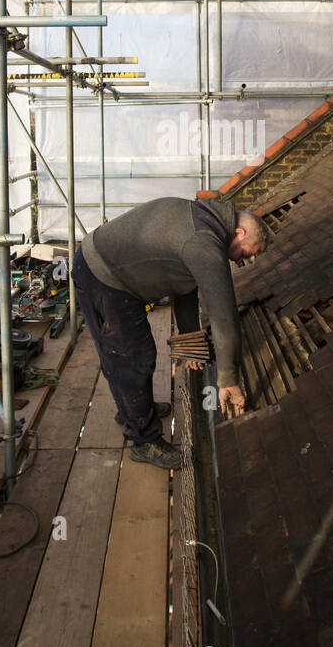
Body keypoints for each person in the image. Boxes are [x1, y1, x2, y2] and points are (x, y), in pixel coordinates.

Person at [70, 196, 272, 469]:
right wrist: (228, 379)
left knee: (127, 355)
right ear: (239, 233)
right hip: (103, 275)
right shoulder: (204, 241)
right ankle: (143, 441)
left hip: (109, 268)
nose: (241, 261)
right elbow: (223, 316)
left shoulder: (203, 220)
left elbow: (184, 285)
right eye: (247, 253)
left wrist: (190, 344)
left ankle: (135, 411)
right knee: (132, 358)